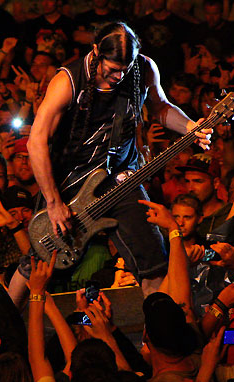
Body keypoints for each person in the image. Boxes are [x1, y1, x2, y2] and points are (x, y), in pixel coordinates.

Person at [28, 22, 209, 292]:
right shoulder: (68, 80)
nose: (120, 76)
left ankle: (160, 315)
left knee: (154, 263)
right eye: (113, 69)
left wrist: (190, 126)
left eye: (126, 69)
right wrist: (53, 202)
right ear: (96, 52)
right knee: (37, 266)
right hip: (71, 181)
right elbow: (36, 142)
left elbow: (160, 107)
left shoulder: (144, 68)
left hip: (121, 179)